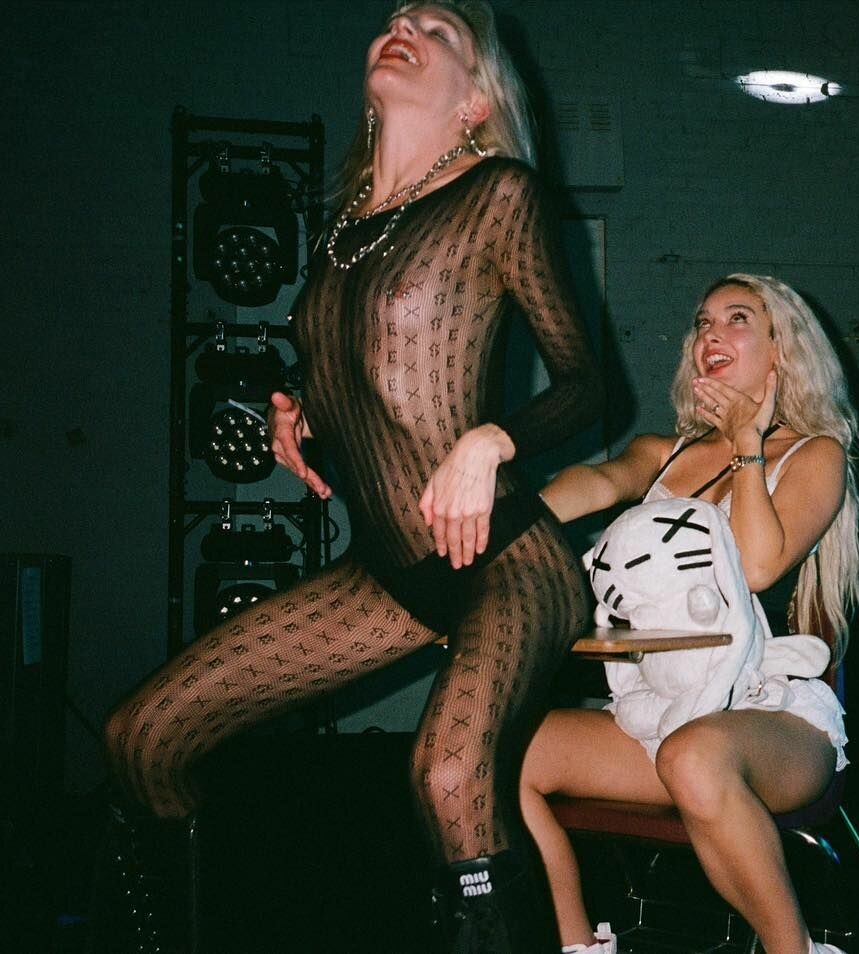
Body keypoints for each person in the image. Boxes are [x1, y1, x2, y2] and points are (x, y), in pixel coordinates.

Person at [102, 3, 599, 950]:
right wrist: (299, 408)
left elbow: (587, 384)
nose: (404, 24)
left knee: (447, 777)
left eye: (439, 30)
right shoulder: (344, 231)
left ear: (477, 101)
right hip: (390, 572)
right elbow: (368, 386)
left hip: (510, 560)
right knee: (142, 737)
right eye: (396, 17)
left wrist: (492, 440)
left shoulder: (499, 193)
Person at [521, 274, 859, 954]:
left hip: (775, 717)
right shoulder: (665, 453)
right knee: (505, 753)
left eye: (738, 319)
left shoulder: (815, 454)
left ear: (783, 349)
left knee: (695, 757)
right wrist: (507, 515)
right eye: (703, 322)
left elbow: (758, 567)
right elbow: (597, 481)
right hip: (665, 711)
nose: (711, 333)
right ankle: (578, 946)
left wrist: (747, 444)